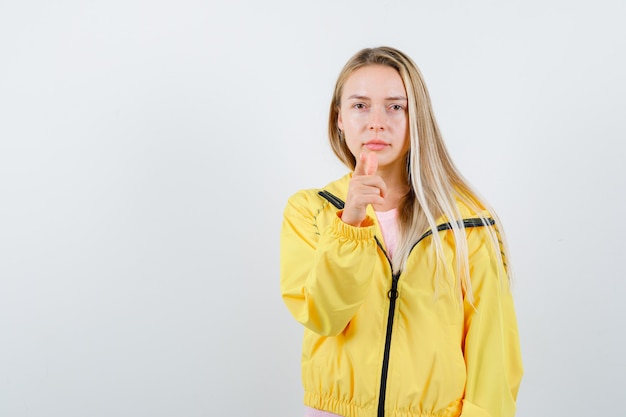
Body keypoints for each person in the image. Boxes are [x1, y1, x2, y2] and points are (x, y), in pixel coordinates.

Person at [280, 46, 523, 417]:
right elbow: (324, 316)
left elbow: (494, 350)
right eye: (360, 105)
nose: (377, 122)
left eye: (395, 106)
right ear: (339, 118)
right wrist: (351, 223)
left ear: (417, 118)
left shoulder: (467, 221)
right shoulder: (310, 210)